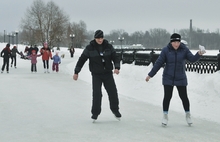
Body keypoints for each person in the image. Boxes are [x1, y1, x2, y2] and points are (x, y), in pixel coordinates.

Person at [145, 33, 206, 126]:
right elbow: (158, 63)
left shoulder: (184, 49)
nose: (176, 44)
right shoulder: (166, 50)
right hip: (168, 77)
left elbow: (192, 59)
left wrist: (199, 53)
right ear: (171, 42)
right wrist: (150, 75)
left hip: (180, 77)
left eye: (178, 42)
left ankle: (188, 114)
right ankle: (165, 115)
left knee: (184, 97)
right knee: (167, 96)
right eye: (174, 42)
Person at [73, 30, 121, 121]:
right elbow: (82, 59)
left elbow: (115, 57)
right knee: (97, 94)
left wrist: (117, 67)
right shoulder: (90, 48)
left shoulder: (108, 47)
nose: (100, 40)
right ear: (95, 38)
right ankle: (95, 113)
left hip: (108, 74)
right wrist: (76, 72)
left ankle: (115, 110)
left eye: (101, 38)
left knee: (113, 92)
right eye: (98, 38)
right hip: (96, 75)